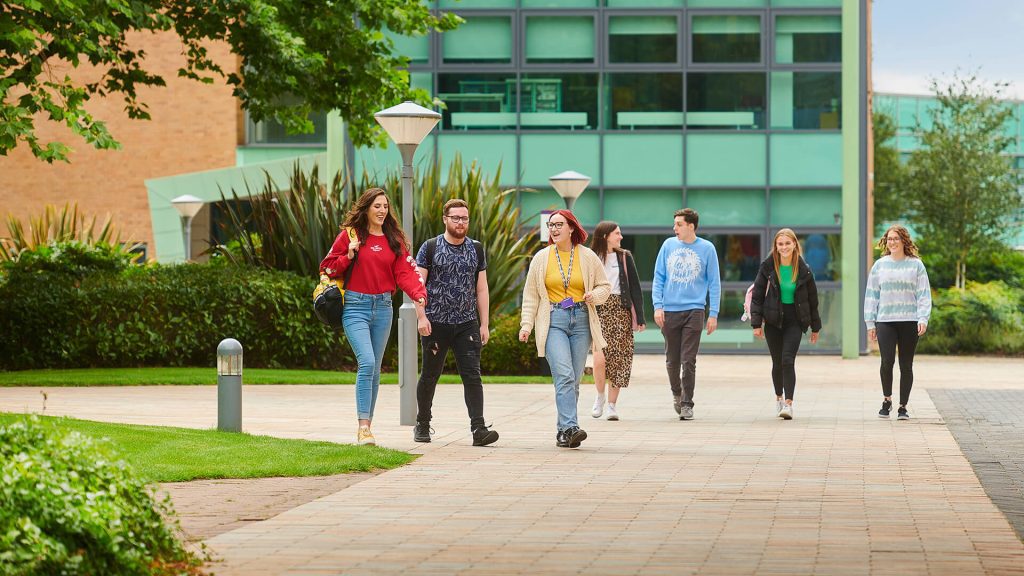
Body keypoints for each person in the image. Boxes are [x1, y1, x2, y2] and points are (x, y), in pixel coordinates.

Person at [319, 187, 427, 446]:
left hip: (383, 308)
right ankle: (363, 427)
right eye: (377, 206)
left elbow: (405, 271)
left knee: (375, 369)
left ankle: (368, 425)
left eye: (385, 206)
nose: (382, 211)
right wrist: (348, 255)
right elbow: (327, 267)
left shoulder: (394, 239)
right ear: (366, 208)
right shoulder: (350, 236)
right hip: (355, 306)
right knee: (367, 362)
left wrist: (418, 293)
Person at [519, 210, 611, 449]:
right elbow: (530, 295)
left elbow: (605, 286)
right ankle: (571, 427)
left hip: (581, 319)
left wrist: (594, 295)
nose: (554, 229)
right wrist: (526, 325)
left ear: (571, 227)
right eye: (551, 225)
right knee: (565, 375)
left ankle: (564, 431)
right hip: (553, 320)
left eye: (559, 224)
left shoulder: (588, 256)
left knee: (574, 379)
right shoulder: (541, 257)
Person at [412, 199, 499, 447]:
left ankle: (479, 428)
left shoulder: (476, 249)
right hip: (435, 323)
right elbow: (418, 286)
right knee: (430, 374)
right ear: (445, 219)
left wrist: (484, 324)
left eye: (464, 218)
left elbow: (481, 289)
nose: (460, 223)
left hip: (466, 323)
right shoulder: (430, 248)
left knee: (472, 375)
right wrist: (422, 317)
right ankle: (423, 423)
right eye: (455, 218)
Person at [652, 208, 721, 421]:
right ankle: (676, 392)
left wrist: (714, 313)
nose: (675, 228)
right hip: (670, 310)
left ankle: (687, 403)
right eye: (674, 224)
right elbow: (659, 278)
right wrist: (657, 306)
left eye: (679, 224)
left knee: (688, 359)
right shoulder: (668, 245)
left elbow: (714, 282)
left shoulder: (707, 248)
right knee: (672, 360)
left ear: (691, 226)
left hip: (695, 309)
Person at [749, 228, 822, 420]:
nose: (784, 247)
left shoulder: (804, 269)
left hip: (795, 320)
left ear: (795, 244)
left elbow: (812, 300)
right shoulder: (768, 267)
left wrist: (816, 327)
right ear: (775, 246)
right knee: (777, 362)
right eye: (780, 244)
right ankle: (778, 398)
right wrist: (757, 324)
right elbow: (757, 297)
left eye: (787, 243)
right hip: (773, 320)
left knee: (788, 360)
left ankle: (788, 404)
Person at [864, 225, 932, 420]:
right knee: (887, 361)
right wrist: (870, 322)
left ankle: (903, 406)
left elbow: (923, 294)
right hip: (885, 320)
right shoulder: (880, 265)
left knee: (906, 365)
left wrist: (923, 318)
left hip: (909, 320)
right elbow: (872, 294)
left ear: (904, 241)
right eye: (889, 239)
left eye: (895, 238)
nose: (892, 242)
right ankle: (887, 400)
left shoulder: (916, 265)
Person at [588, 221, 646, 421]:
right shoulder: (591, 257)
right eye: (617, 233)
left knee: (620, 359)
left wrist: (640, 317)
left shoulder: (624, 256)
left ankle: (612, 405)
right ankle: (600, 396)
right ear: (605, 236)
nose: (620, 237)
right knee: (599, 359)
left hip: (621, 311)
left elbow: (635, 288)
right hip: (599, 311)